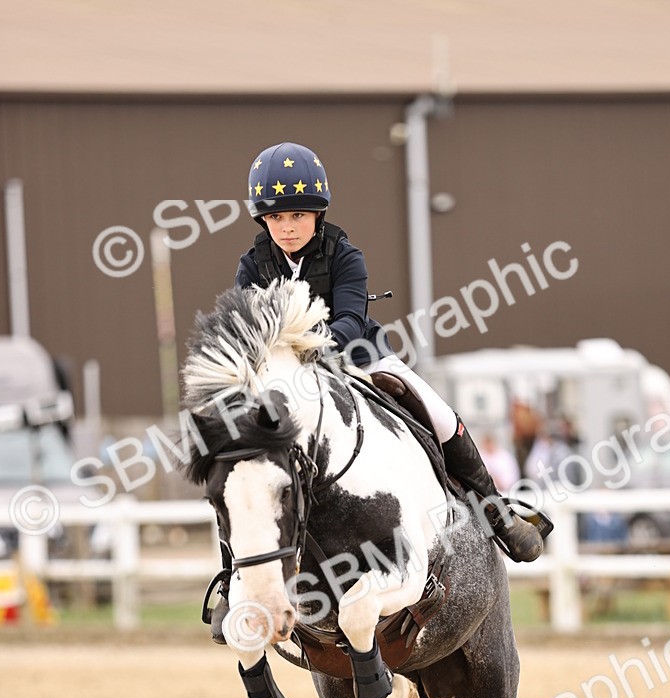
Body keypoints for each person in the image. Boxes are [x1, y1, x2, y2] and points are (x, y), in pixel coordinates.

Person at [206, 141, 543, 641]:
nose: (289, 227)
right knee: (240, 463)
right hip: (285, 384)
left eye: (298, 215)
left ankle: (496, 509)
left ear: (317, 214)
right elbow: (249, 329)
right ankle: (230, 575)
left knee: (435, 408)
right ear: (264, 222)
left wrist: (311, 359)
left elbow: (348, 319)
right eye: (278, 219)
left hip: (354, 360)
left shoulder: (344, 254)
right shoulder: (252, 265)